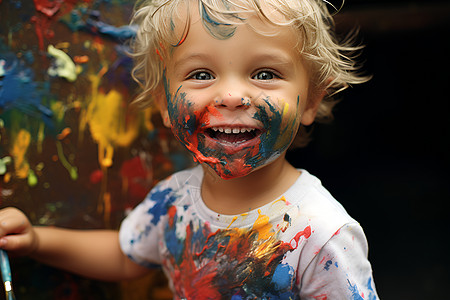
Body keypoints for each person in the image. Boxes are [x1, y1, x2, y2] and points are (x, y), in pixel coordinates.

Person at [0, 0, 379, 299]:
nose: (231, 96)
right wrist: (35, 240)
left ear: (311, 100)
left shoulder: (322, 234)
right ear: (164, 103)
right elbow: (124, 254)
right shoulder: (174, 199)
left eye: (265, 74)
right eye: (201, 75)